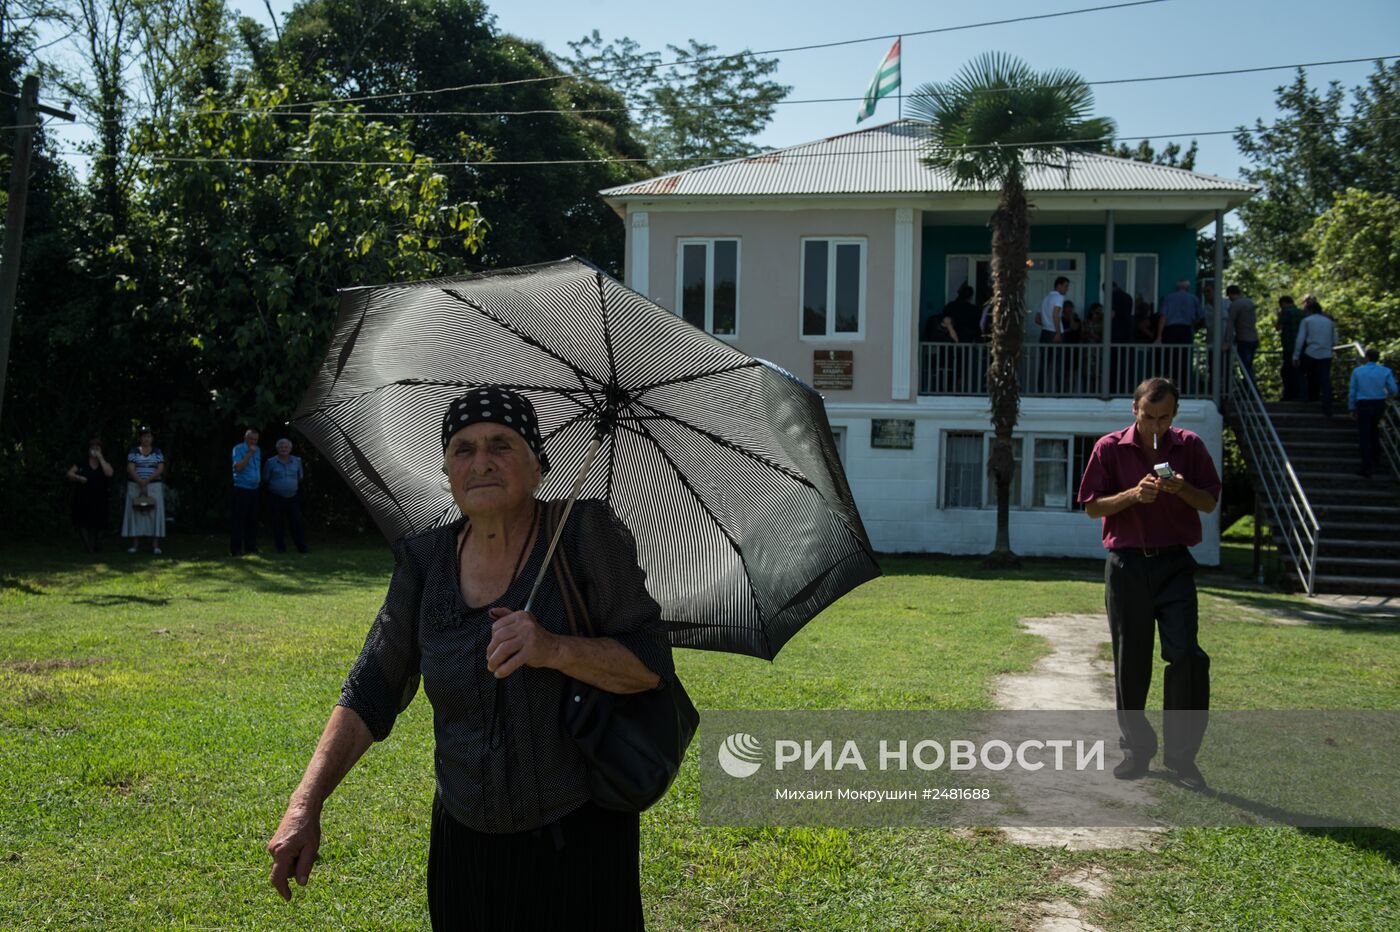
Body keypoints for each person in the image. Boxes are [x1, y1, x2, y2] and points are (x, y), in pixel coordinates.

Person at [267, 387, 674, 929]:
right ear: (448, 472)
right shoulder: (426, 557)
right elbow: (372, 686)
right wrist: (306, 804)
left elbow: (650, 663)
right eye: (463, 449)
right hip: (463, 845)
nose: (481, 461)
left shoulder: (581, 535)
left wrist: (553, 648)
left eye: (501, 445)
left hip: (578, 840)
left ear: (538, 465)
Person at [1077, 377, 1220, 791]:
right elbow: (1092, 507)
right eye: (1149, 416)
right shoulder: (1109, 448)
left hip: (1175, 564)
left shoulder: (1189, 446)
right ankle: (1136, 749)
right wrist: (1132, 496)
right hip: (1127, 567)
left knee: (1187, 657)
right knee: (1131, 662)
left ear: (1174, 415)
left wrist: (1183, 489)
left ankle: (1182, 758)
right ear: (1134, 410)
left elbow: (1209, 502)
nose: (1157, 426)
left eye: (1165, 418)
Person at [1348, 348, 1397, 478]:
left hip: (1363, 404)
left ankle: (1367, 466)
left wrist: (1351, 408)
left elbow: (1353, 391)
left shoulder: (1358, 371)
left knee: (1364, 435)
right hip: (1379, 403)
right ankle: (1377, 459)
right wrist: (1389, 396)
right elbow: (1393, 388)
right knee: (1374, 430)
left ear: (1367, 358)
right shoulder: (1385, 371)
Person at [122, 428, 166, 554]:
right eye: (144, 436)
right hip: (135, 485)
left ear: (152, 438)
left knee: (154, 514)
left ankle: (155, 545)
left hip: (154, 486)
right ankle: (135, 545)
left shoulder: (157, 452)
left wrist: (146, 481)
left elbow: (160, 468)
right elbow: (130, 468)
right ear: (140, 438)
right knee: (136, 513)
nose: (146, 439)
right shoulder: (133, 452)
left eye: (149, 436)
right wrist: (140, 481)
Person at [66, 438, 114, 552]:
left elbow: (109, 473)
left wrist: (100, 458)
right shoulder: (82, 463)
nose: (94, 450)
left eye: (97, 448)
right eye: (92, 448)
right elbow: (69, 474)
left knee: (101, 521)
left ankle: (98, 544)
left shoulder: (105, 463)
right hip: (83, 496)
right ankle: (88, 546)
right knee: (82, 521)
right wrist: (79, 478)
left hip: (100, 497)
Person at [1292, 295, 1337, 417]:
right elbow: (1335, 340)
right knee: (1325, 380)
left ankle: (1304, 397)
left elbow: (1300, 339)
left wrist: (1296, 355)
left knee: (1301, 373)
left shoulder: (1307, 321)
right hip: (1326, 354)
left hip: (1311, 352)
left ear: (1309, 311)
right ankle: (1327, 407)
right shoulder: (1329, 322)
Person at [262, 438, 308, 553]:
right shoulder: (270, 462)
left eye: (286, 447)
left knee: (296, 523)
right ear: (277, 449)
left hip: (293, 497)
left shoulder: (297, 461)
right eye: (281, 447)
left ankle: (301, 548)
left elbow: (300, 476)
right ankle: (280, 549)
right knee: (278, 524)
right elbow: (266, 478)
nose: (284, 449)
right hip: (276, 497)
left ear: (290, 449)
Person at [1156, 280, 1203, 392]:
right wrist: (1194, 326)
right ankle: (1183, 388)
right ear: (1187, 287)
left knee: (1169, 360)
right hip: (1185, 331)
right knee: (1184, 360)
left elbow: (1163, 317)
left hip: (1170, 331)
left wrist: (1159, 336)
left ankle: (1168, 388)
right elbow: (1201, 317)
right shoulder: (1193, 299)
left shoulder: (1169, 298)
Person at [231, 429, 261, 556]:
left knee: (252, 520)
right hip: (242, 488)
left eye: (255, 439)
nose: (253, 442)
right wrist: (249, 453)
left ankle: (251, 548)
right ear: (245, 438)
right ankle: (236, 549)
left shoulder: (258, 450)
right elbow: (238, 467)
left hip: (254, 489)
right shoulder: (238, 449)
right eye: (251, 439)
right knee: (239, 520)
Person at [1223, 285, 1258, 381]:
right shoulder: (1249, 302)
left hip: (1243, 339)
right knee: (1249, 367)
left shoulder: (1235, 305)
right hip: (1254, 338)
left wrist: (1227, 342)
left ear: (1230, 294)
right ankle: (1250, 391)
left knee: (1245, 369)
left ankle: (1252, 392)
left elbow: (1230, 324)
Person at [1275, 296, 1306, 401]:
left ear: (1283, 303)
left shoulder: (1285, 312)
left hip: (1289, 346)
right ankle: (1300, 395)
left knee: (1287, 371)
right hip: (1302, 346)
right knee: (1299, 371)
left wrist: (1278, 316)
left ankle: (1289, 395)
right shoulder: (1302, 313)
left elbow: (1278, 327)